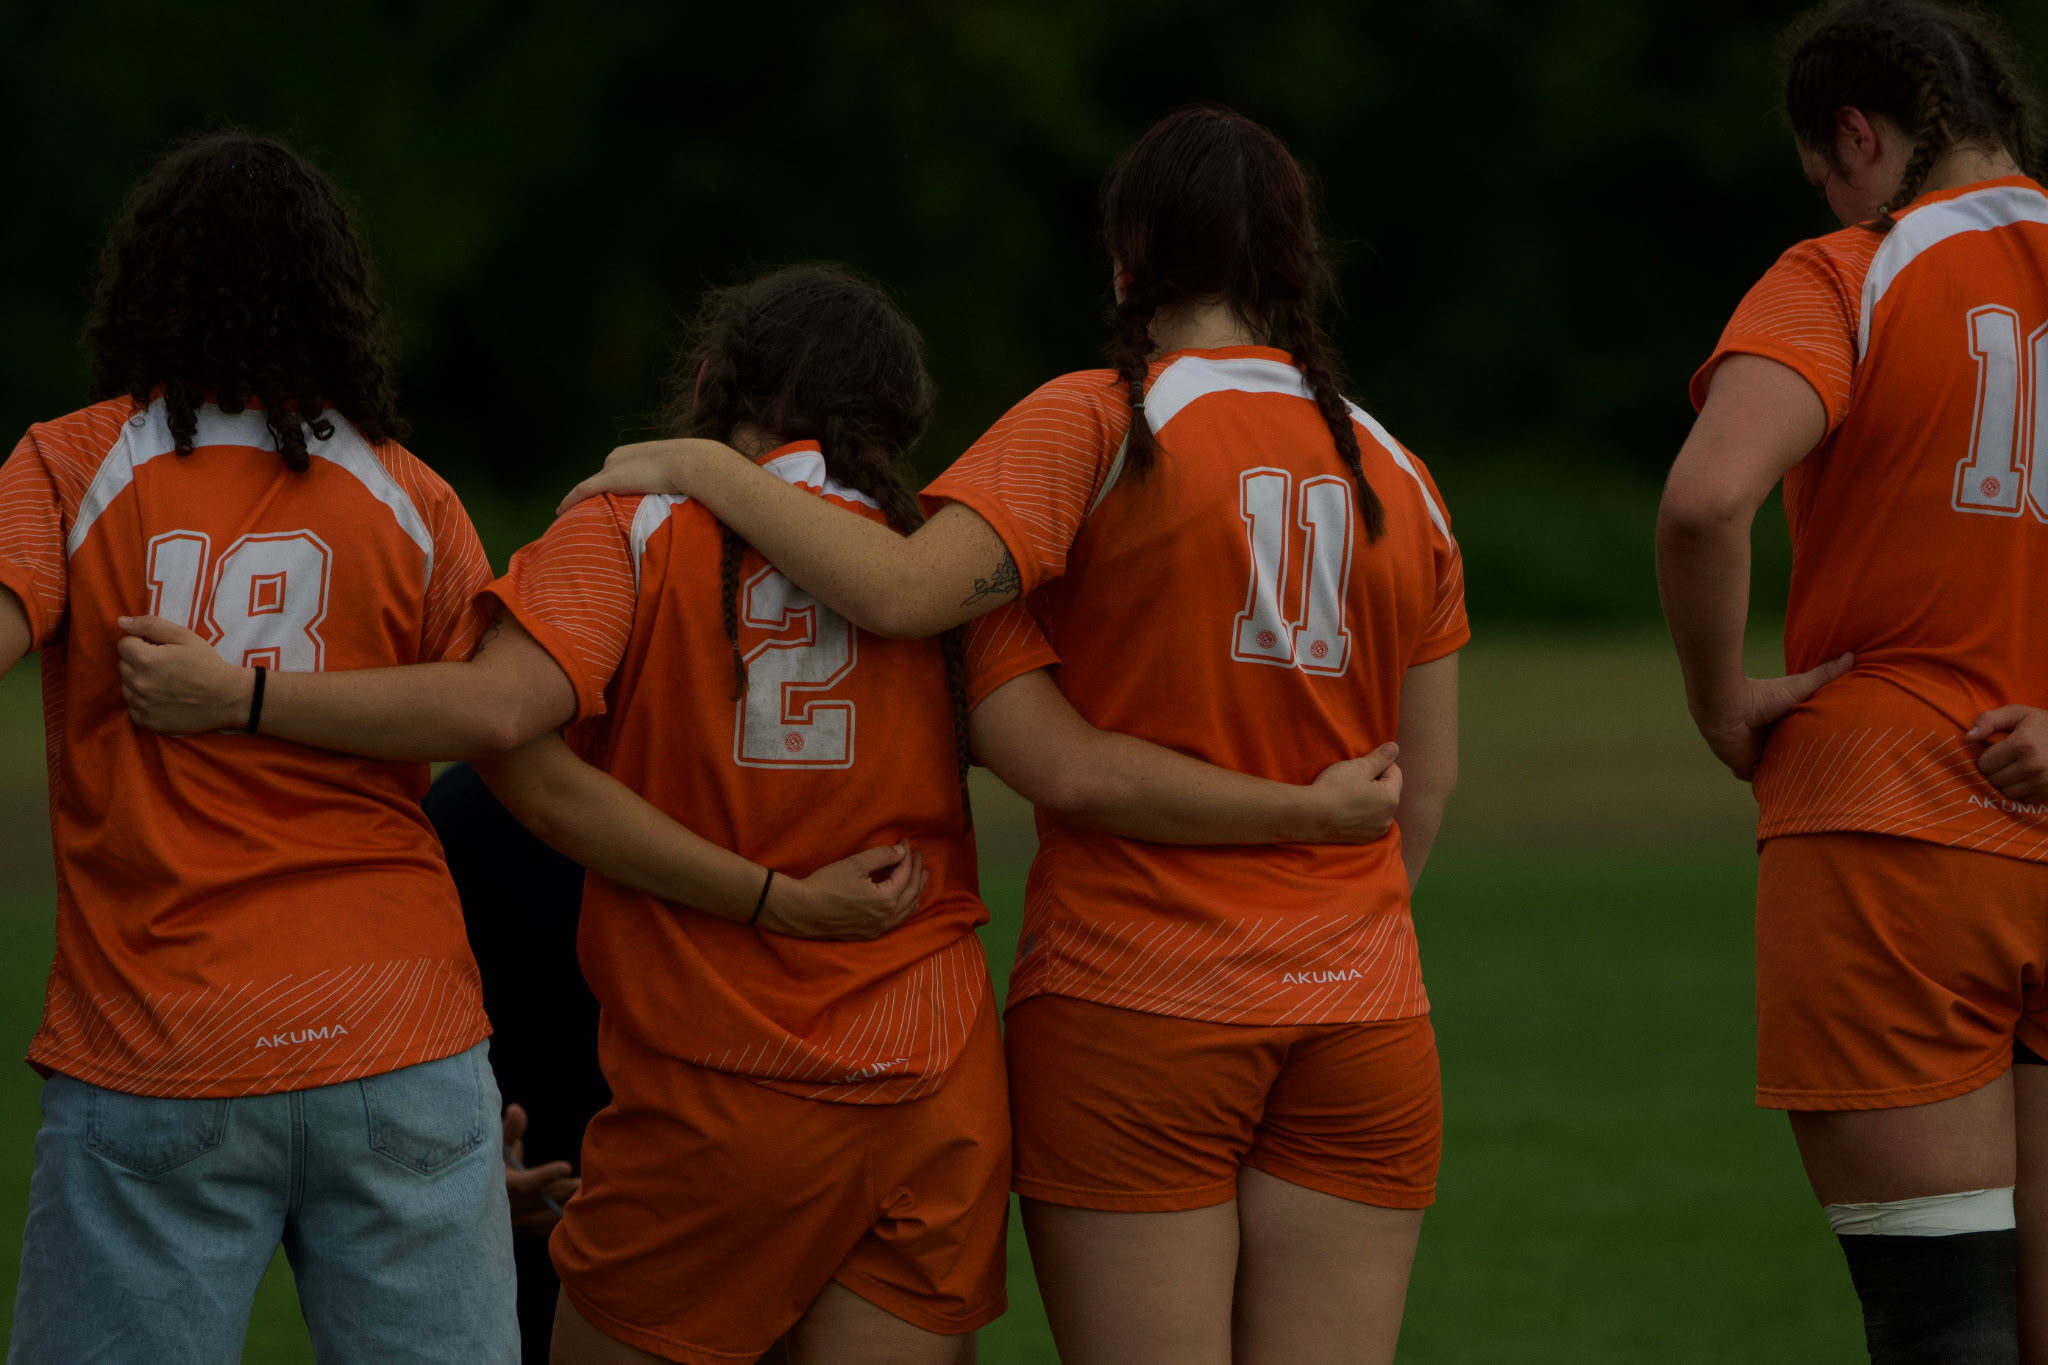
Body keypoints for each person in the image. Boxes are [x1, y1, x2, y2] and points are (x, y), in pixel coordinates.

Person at [116, 262, 1409, 1364]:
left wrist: (240, 697)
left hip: (721, 1086)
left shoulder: (633, 523)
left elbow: (500, 726)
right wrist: (1306, 806)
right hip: (932, 1090)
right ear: (895, 417)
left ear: (718, 387)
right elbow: (1071, 766)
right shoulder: (939, 558)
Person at [555, 108, 1467, 1365]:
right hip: (1365, 1019)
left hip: (1142, 999)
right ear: (1291, 266)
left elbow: (904, 597)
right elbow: (1421, 787)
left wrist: (710, 472)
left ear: (1124, 264)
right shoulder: (1395, 466)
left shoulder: (1097, 420)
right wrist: (1326, 884)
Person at [0, 133, 520, 1360]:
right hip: (404, 1040)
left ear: (145, 284)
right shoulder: (413, 492)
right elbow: (502, 719)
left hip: (164, 1039)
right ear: (334, 295)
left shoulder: (69, 463)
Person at [1657, 2, 2048, 1359]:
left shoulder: (1849, 270)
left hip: (1896, 822)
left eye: (1826, 172)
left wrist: (1722, 697)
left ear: (1857, 136)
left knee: (1947, 1324)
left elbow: (1708, 502)